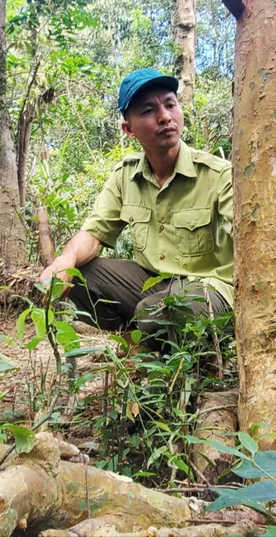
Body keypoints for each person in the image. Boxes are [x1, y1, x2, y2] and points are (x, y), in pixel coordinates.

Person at [38, 68, 233, 349]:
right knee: (80, 278)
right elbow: (93, 233)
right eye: (148, 111)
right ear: (128, 128)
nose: (164, 117)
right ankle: (140, 339)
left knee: (157, 312)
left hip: (209, 289)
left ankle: (165, 351)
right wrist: (64, 261)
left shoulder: (218, 175)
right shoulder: (125, 176)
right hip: (152, 285)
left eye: (170, 104)